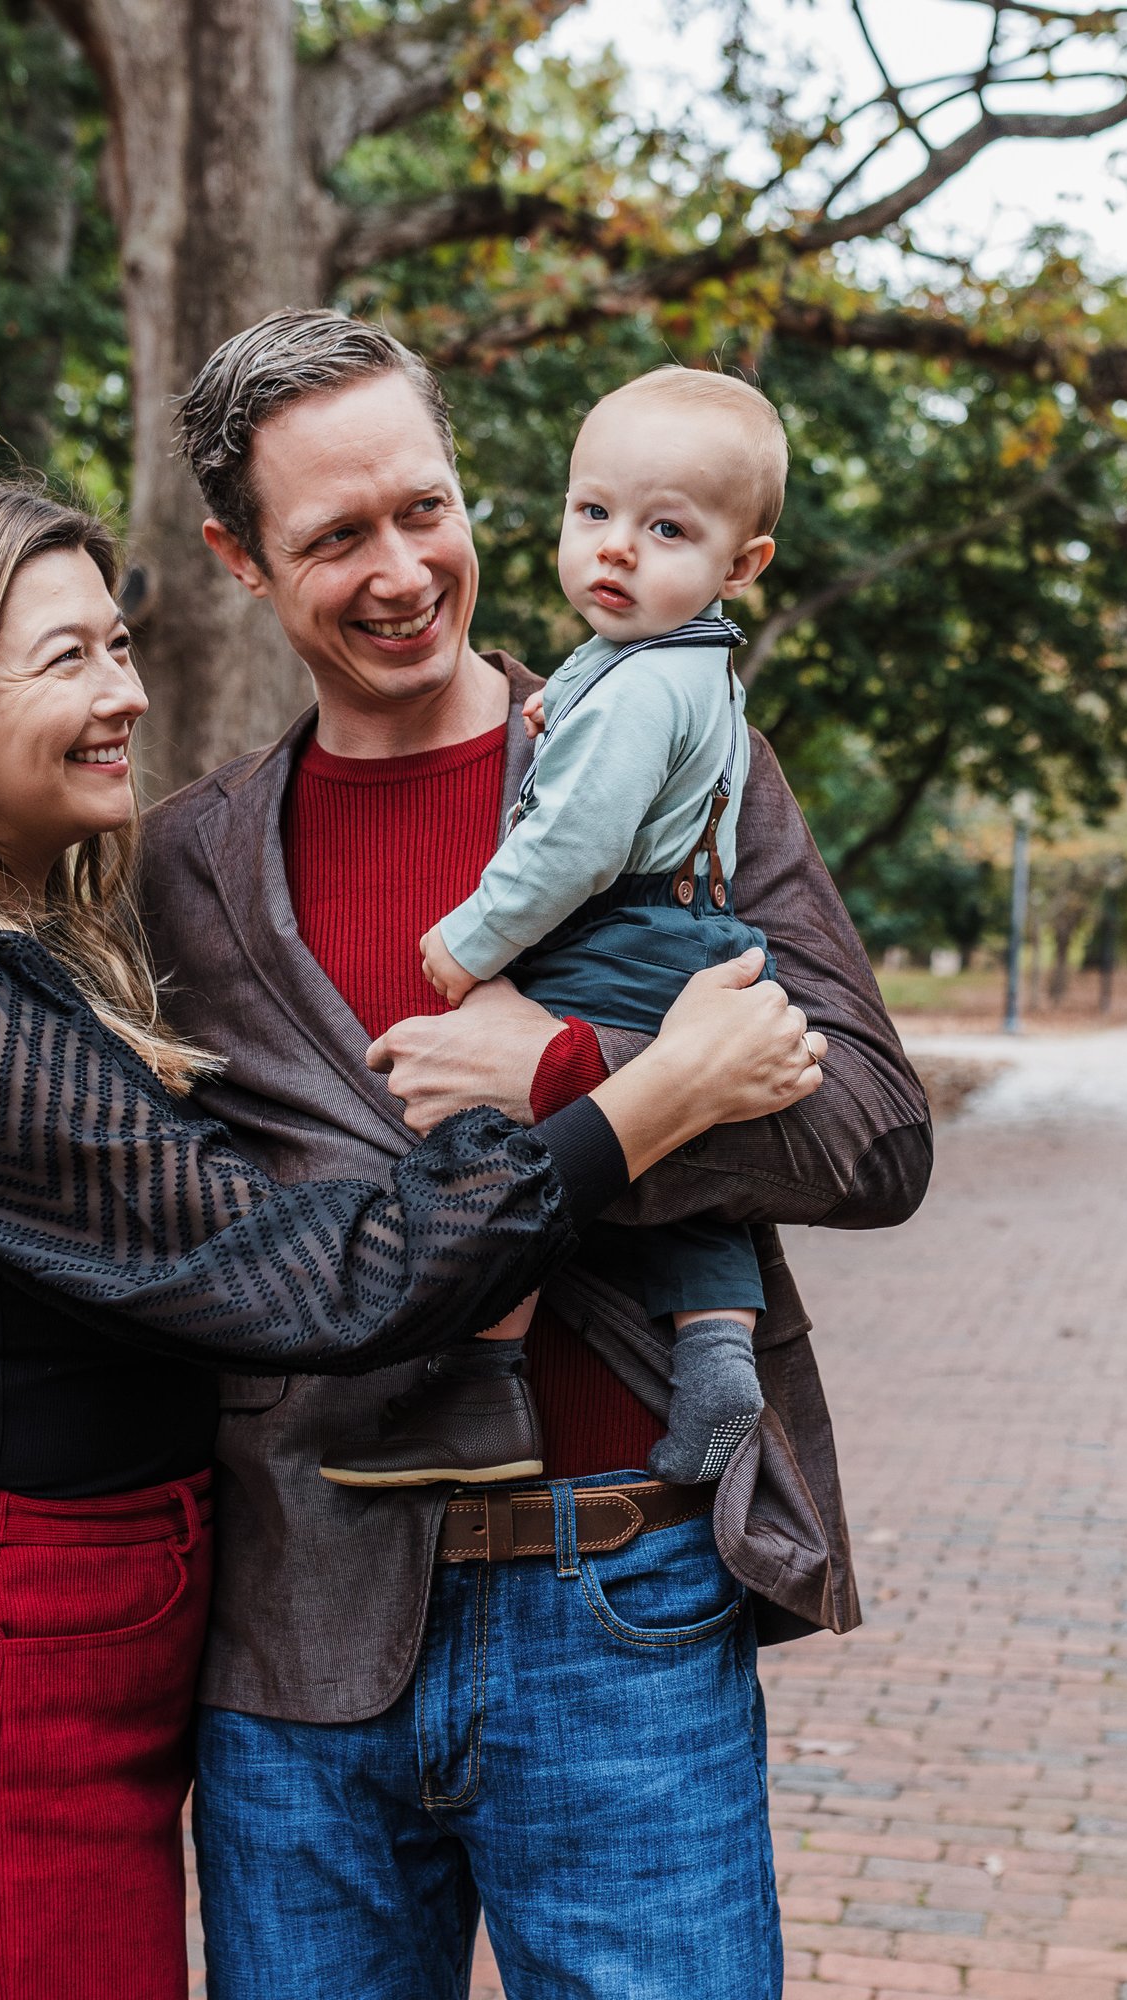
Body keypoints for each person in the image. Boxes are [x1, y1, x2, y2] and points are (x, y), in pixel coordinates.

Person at [0, 312, 934, 2000]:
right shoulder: (170, 874)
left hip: (618, 1601)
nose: (402, 571)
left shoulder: (667, 755)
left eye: (423, 509)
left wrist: (576, 1069)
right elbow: (108, 1189)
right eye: (335, 536)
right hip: (299, 1623)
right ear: (235, 557)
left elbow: (874, 1133)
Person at [321, 365, 789, 1492]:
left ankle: (483, 1375)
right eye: (595, 514)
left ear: (740, 565)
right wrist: (564, 700)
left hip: (619, 933)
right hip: (685, 933)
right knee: (672, 1144)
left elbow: (572, 843)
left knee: (505, 1127)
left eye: (664, 528)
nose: (616, 549)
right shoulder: (667, 664)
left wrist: (475, 938)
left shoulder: (636, 690)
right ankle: (719, 1351)